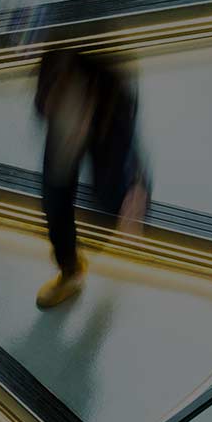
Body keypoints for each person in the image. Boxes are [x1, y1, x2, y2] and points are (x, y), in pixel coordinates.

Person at [33, 49, 150, 308]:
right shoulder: (59, 76)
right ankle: (70, 267)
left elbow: (126, 141)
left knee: (111, 197)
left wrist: (137, 184)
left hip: (104, 93)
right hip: (70, 84)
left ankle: (127, 198)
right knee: (54, 195)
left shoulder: (114, 93)